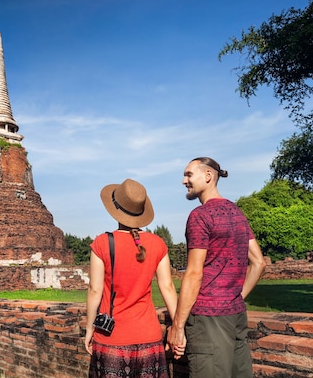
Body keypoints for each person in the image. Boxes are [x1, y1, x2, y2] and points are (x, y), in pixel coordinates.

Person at [166, 157, 266, 378]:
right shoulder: (236, 212)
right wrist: (236, 296)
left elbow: (193, 273)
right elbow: (259, 262)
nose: (184, 181)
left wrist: (178, 326)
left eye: (189, 174)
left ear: (208, 176)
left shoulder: (200, 216)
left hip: (207, 318)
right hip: (236, 314)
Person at [85, 178, 180, 378]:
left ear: (115, 209)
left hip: (112, 337)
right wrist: (179, 327)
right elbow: (168, 287)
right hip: (149, 336)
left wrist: (88, 328)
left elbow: (95, 290)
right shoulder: (157, 243)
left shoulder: (102, 243)